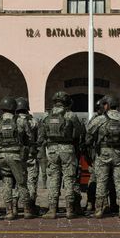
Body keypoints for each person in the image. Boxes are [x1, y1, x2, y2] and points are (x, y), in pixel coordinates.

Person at [38, 91, 83, 219]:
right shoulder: (71, 115)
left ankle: (52, 210)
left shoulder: (46, 116)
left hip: (51, 150)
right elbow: (78, 133)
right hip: (68, 149)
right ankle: (70, 210)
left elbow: (41, 136)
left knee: (54, 179)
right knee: (69, 179)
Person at [0, 96, 35, 220]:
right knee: (21, 183)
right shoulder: (20, 121)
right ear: (14, 107)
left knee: (7, 183)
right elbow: (30, 138)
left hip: (1, 157)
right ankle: (26, 210)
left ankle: (9, 211)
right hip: (16, 157)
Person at [87, 95, 120, 219]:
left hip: (103, 153)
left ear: (106, 105)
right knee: (119, 182)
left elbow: (89, 132)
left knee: (101, 181)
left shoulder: (100, 119)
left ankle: (99, 210)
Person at [15, 97, 39, 214]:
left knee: (18, 180)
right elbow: (38, 137)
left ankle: (14, 205)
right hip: (30, 154)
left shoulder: (13, 121)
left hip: (17, 154)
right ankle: (31, 204)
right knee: (31, 180)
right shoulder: (33, 121)